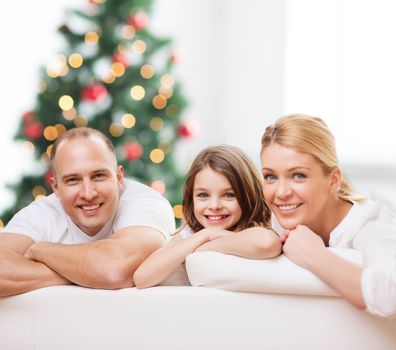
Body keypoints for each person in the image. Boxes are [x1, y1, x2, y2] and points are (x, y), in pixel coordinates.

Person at [0, 127, 175, 297]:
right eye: (73, 180)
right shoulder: (41, 213)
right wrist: (83, 274)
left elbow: (115, 271)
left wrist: (41, 250)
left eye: (98, 176)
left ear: (119, 177)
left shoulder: (146, 204)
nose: (88, 193)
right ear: (56, 187)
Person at [260, 114, 396, 318]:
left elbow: (391, 295)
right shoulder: (274, 218)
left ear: (333, 180)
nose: (280, 193)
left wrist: (313, 255)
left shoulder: (372, 225)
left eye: (298, 175)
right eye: (270, 177)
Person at [133, 145, 282, 288]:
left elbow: (268, 243)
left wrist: (208, 242)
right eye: (203, 195)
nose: (214, 205)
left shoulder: (252, 227)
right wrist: (205, 234)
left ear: (248, 194)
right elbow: (142, 278)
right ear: (192, 198)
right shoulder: (190, 234)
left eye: (229, 195)